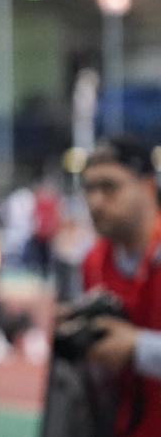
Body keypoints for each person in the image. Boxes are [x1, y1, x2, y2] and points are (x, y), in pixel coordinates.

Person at [73, 135, 161, 437]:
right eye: (89, 188)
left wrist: (137, 348)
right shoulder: (93, 261)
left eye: (109, 187)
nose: (95, 201)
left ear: (148, 187)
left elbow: (131, 347)